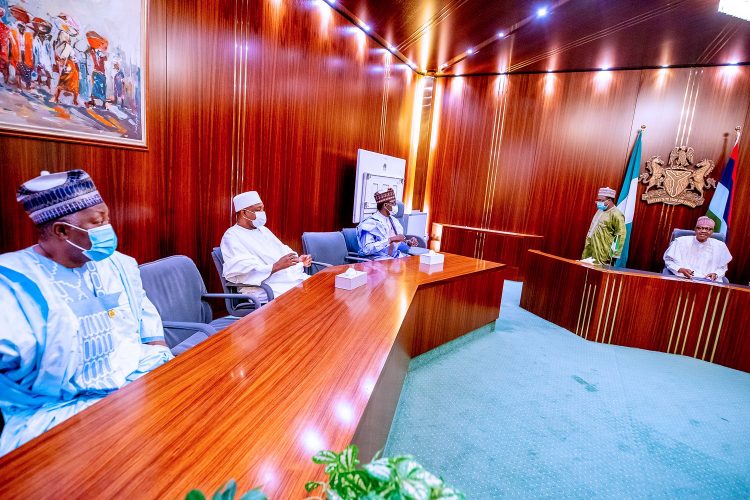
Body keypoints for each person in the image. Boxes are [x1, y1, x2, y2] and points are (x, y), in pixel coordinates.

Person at [0, 169, 173, 456]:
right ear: (61, 231)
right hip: (58, 411)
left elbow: (146, 322)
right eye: (98, 222)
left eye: (106, 217)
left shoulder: (118, 264)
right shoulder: (12, 282)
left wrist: (162, 373)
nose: (108, 228)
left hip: (135, 381)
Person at [220, 191, 312, 300]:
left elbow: (281, 252)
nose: (262, 212)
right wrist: (276, 266)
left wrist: (297, 260)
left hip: (285, 280)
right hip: (264, 288)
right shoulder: (231, 236)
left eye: (263, 209)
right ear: (243, 213)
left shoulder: (263, 230)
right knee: (307, 299)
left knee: (320, 289)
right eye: (258, 210)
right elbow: (243, 271)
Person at [663, 216, 732, 282]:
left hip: (708, 281)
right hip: (682, 278)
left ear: (712, 232)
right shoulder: (680, 242)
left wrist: (716, 274)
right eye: (700, 228)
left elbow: (723, 267)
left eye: (708, 229)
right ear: (695, 229)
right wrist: (680, 269)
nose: (703, 231)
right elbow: (668, 261)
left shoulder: (720, 246)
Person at [356, 187, 418, 259]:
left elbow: (395, 246)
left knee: (413, 264)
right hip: (376, 260)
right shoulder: (370, 223)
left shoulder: (394, 221)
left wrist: (408, 243)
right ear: (385, 205)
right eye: (393, 203)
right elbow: (366, 249)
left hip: (393, 258)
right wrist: (390, 240)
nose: (395, 206)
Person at [582, 186, 626, 265]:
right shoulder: (600, 210)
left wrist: (613, 254)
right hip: (590, 248)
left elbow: (620, 235)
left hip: (603, 253)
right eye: (598, 200)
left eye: (601, 200)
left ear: (609, 200)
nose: (598, 202)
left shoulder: (617, 214)